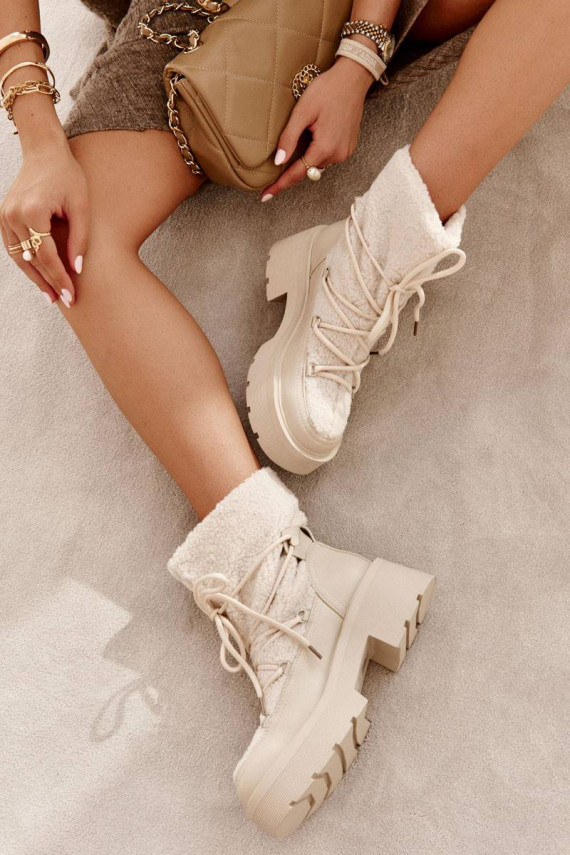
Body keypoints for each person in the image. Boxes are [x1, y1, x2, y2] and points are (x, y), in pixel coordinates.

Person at [1, 0, 568, 838]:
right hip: (185, 25)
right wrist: (39, 137)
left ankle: (359, 265)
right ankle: (288, 585)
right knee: (67, 239)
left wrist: (359, 59)